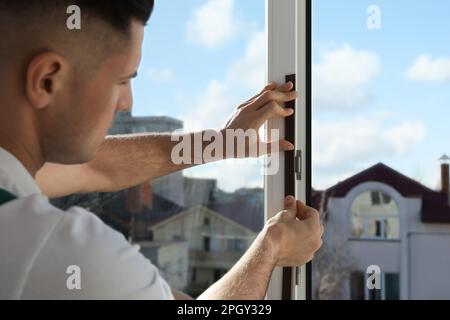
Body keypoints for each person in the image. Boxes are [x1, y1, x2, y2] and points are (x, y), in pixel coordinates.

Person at [0, 0, 323, 300]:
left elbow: (96, 167)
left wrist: (219, 142)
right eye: (122, 80)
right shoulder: (62, 251)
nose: (127, 104)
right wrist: (271, 250)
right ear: (47, 80)